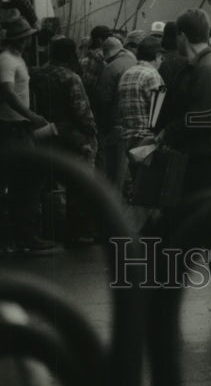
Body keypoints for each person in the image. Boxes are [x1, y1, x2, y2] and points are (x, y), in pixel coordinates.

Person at [154, 8, 211, 319]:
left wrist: (165, 134)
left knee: (210, 229)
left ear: (182, 37)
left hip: (210, 160)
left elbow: (199, 117)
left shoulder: (206, 71)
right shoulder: (199, 68)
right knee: (199, 229)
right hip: (204, 158)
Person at [0, 15, 53, 252]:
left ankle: (11, 236)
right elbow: (8, 92)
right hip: (10, 129)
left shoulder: (15, 59)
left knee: (16, 181)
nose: (28, 41)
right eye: (25, 38)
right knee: (24, 181)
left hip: (14, 127)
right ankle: (23, 236)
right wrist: (32, 116)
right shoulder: (7, 61)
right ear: (20, 39)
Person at [30, 37, 99, 245]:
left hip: (43, 132)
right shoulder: (71, 77)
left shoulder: (38, 74)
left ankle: (42, 230)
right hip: (70, 135)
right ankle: (76, 232)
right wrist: (91, 132)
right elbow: (81, 110)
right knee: (78, 183)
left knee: (40, 183)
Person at [94, 35, 137, 195]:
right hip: (137, 127)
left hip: (116, 127)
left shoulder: (111, 69)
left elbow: (103, 102)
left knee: (114, 175)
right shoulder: (136, 63)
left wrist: (103, 130)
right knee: (130, 174)